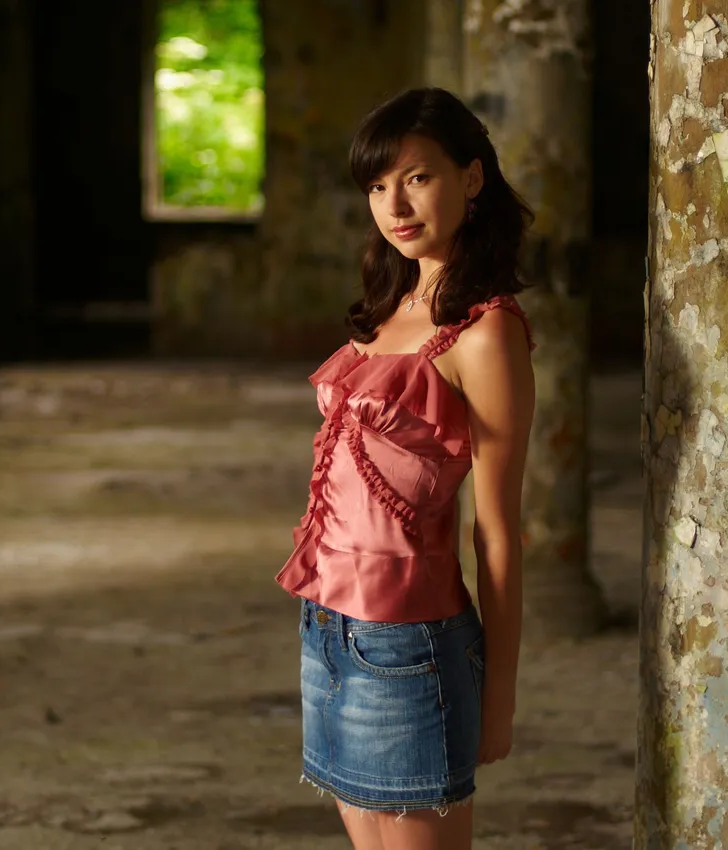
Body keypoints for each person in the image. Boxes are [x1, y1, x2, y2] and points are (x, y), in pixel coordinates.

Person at [274, 87, 537, 850]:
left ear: (473, 178)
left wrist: (501, 694)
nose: (395, 203)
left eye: (418, 177)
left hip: (407, 642)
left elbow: (497, 531)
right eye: (378, 185)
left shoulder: (486, 334)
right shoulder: (389, 307)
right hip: (326, 624)